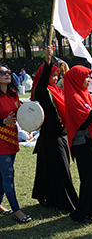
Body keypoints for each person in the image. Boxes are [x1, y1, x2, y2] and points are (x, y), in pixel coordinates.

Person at [30, 46, 78, 211]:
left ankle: (48, 197)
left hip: (62, 135)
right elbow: (43, 80)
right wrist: (48, 61)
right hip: (51, 137)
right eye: (53, 75)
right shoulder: (41, 91)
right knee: (60, 170)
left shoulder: (59, 90)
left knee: (50, 169)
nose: (56, 78)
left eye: (57, 75)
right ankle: (68, 203)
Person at [64, 65, 92, 223]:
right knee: (89, 179)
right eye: (86, 77)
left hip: (88, 142)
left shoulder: (84, 94)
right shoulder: (74, 98)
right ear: (76, 79)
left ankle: (90, 211)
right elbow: (82, 123)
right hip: (81, 144)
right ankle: (81, 214)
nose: (89, 80)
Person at [0, 65, 31, 223]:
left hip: (11, 140)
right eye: (2, 72)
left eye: (9, 72)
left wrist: (31, 122)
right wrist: (3, 121)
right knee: (8, 177)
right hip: (0, 143)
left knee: (1, 177)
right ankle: (17, 211)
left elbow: (20, 113)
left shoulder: (13, 94)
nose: (7, 74)